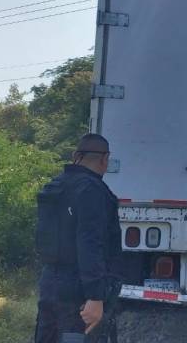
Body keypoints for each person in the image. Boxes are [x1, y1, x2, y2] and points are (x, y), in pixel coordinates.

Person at [34, 133, 123, 343]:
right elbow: (89, 242)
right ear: (105, 159)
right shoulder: (93, 190)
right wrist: (95, 296)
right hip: (78, 290)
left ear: (75, 156)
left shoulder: (55, 185)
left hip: (50, 282)